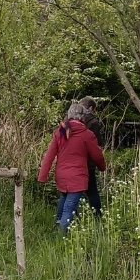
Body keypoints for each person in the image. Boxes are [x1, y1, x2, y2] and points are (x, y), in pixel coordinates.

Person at [38, 102, 106, 233]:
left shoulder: (61, 131)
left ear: (69, 115)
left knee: (63, 199)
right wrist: (102, 167)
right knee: (69, 207)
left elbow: (49, 156)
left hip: (61, 175)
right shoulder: (87, 134)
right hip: (77, 176)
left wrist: (43, 175)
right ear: (82, 117)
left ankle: (57, 226)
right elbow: (97, 156)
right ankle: (61, 237)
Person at [78, 96, 107, 214]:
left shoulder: (69, 119)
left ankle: (68, 218)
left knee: (72, 191)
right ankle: (97, 215)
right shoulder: (93, 122)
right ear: (90, 108)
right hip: (87, 162)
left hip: (70, 161)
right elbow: (97, 143)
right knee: (92, 191)